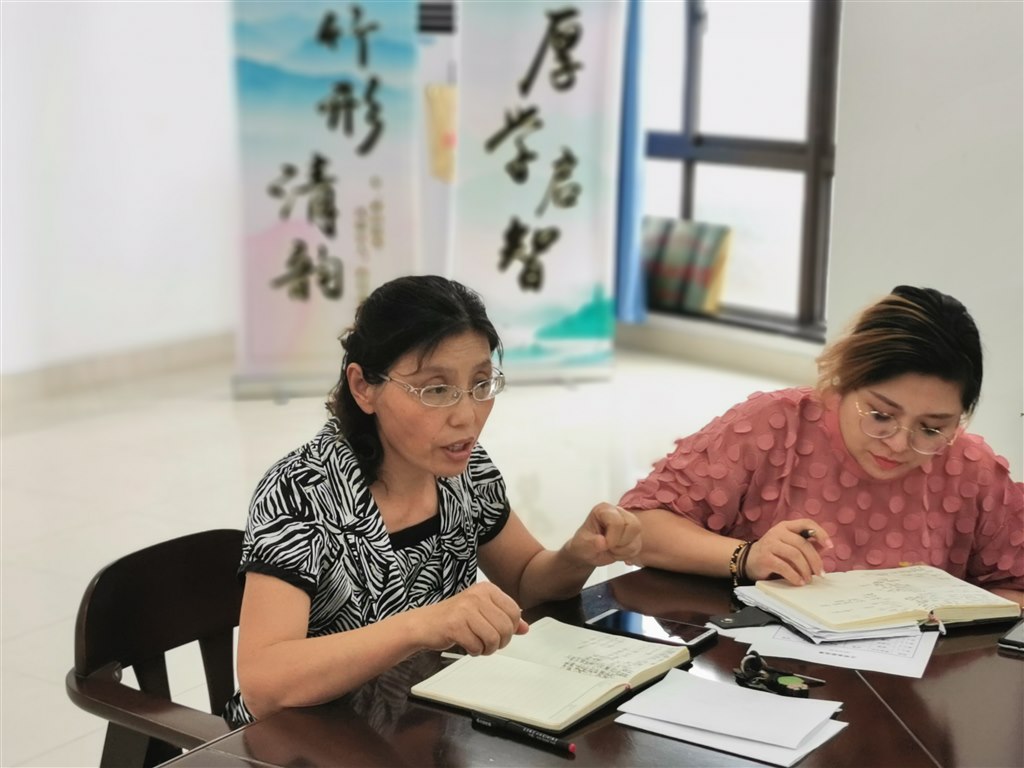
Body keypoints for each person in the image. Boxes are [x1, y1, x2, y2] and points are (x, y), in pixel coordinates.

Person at [223, 275, 640, 725]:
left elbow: (525, 580)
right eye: (436, 390)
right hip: (304, 740)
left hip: (417, 726)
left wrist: (578, 555)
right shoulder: (302, 490)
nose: (467, 416)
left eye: (481, 383)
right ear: (363, 387)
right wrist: (421, 625)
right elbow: (264, 683)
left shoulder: (465, 470)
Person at [616, 285, 1023, 607]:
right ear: (844, 380)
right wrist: (747, 557)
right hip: (757, 667)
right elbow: (640, 525)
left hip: (913, 679)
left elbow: (1015, 587)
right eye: (881, 415)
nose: (900, 444)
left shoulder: (972, 469)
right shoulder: (774, 425)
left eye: (932, 429)